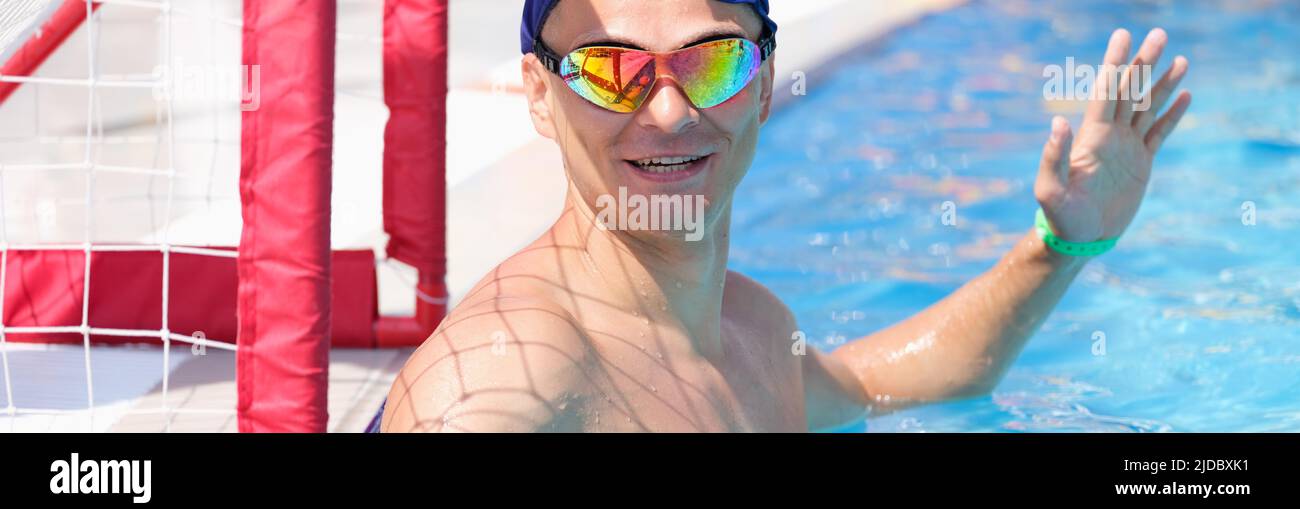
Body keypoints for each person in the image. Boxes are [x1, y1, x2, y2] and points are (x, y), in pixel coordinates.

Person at [380, 0, 1192, 432]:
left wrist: (1062, 243)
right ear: (538, 95)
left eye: (713, 60)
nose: (667, 111)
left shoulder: (752, 330)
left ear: (766, 85)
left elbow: (893, 382)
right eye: (609, 71)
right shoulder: (499, 390)